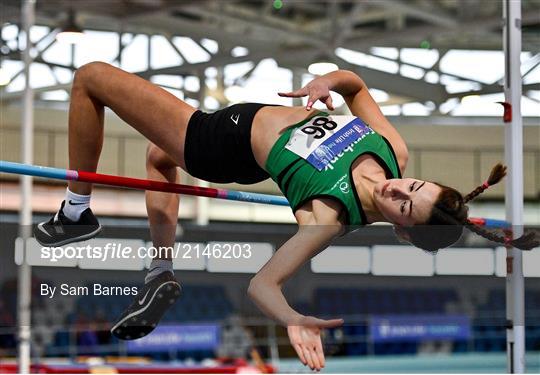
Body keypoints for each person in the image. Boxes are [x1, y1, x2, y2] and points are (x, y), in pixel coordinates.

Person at [34, 62, 537, 371]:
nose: (397, 187)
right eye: (414, 185)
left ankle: (77, 210)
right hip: (249, 143)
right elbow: (356, 88)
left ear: (403, 231)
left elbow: (262, 285)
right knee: (157, 159)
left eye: (403, 204)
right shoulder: (393, 151)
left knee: (92, 78)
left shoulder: (327, 216)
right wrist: (328, 81)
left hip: (216, 141)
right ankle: (160, 270)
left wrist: (293, 320)